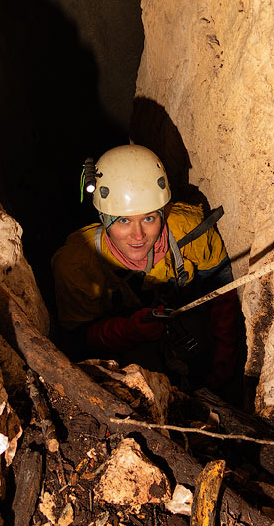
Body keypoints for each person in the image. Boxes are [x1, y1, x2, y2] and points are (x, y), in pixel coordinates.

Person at [51, 144, 240, 396]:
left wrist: (225, 358)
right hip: (126, 344)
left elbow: (221, 292)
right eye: (123, 221)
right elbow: (78, 340)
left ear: (162, 212)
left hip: (182, 322)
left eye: (149, 218)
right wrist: (128, 331)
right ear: (103, 218)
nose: (138, 235)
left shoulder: (188, 229)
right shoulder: (76, 264)